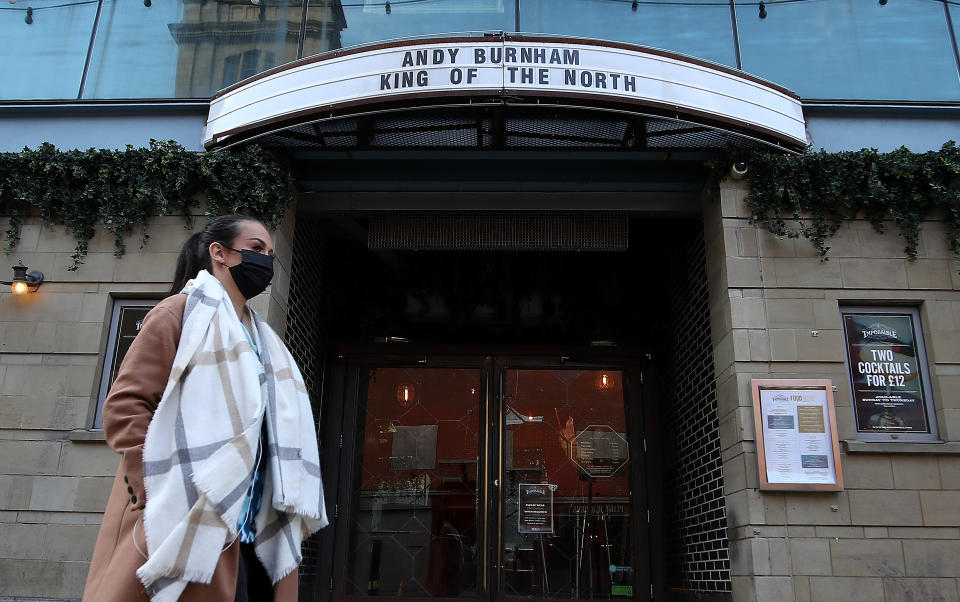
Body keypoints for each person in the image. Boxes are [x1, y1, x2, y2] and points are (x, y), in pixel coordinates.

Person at [83, 215, 327, 602]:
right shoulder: (177, 314)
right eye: (256, 249)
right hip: (190, 511)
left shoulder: (263, 339)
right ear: (219, 253)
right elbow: (126, 405)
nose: (265, 261)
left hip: (256, 523)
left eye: (270, 253)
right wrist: (155, 486)